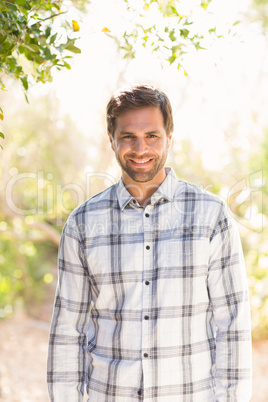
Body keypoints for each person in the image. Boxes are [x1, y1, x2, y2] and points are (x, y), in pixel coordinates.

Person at [47, 85, 252, 401]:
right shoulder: (82, 223)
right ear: (111, 139)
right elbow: (67, 331)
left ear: (169, 136)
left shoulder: (211, 216)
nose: (140, 148)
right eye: (128, 136)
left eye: (152, 136)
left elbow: (232, 326)